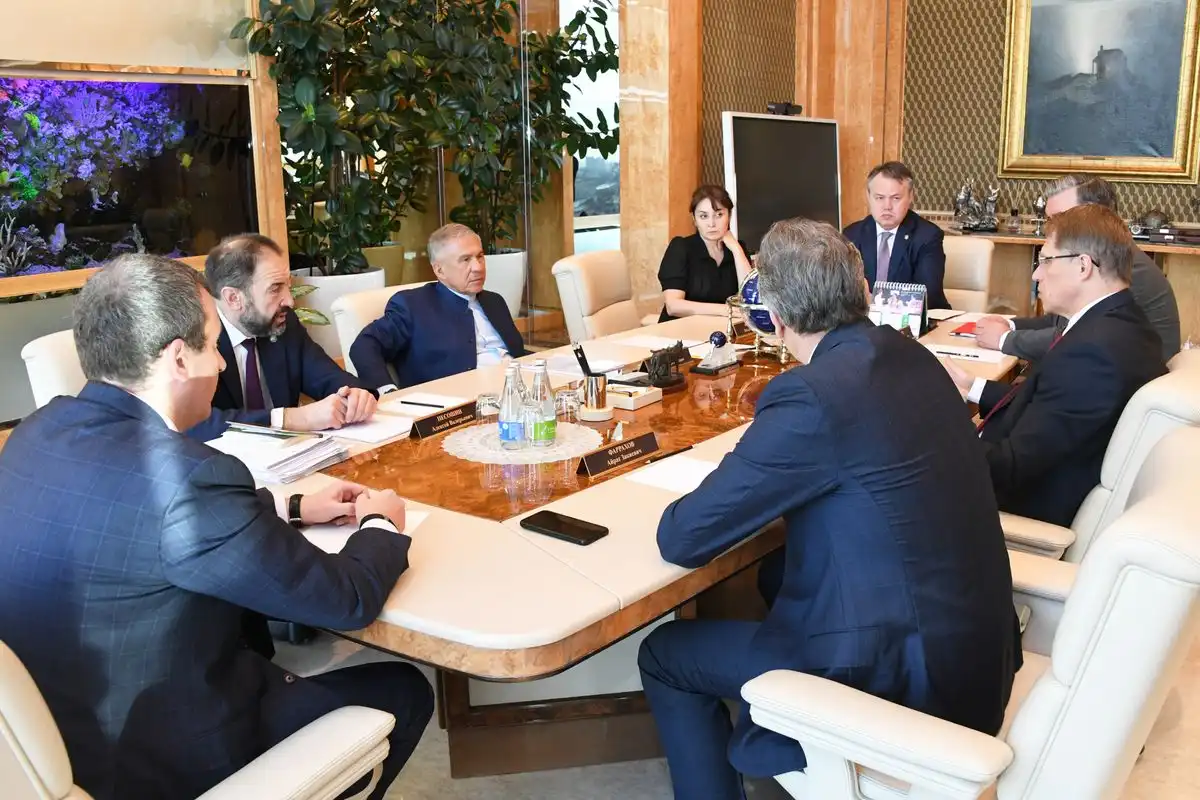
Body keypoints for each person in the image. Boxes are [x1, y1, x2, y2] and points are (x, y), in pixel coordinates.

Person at [0, 254, 433, 800]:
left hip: (52, 744)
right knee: (402, 689)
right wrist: (380, 523)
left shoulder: (34, 432)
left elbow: (138, 526)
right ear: (179, 359)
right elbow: (346, 599)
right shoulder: (192, 477)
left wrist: (294, 506)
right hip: (162, 761)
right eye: (212, 345)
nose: (224, 363)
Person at [639, 219, 1019, 800]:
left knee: (665, 654)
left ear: (774, 316)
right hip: (976, 658)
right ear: (862, 289)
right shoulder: (913, 355)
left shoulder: (812, 396)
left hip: (902, 689)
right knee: (775, 571)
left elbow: (683, 537)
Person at [943, 204, 1167, 527]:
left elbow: (1012, 468)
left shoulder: (1091, 354)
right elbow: (1049, 406)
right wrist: (971, 386)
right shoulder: (1123, 325)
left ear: (1083, 266)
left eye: (1046, 260)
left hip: (1014, 512)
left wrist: (934, 428)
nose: (1036, 274)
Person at [187, 233, 377, 441]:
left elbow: (327, 376)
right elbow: (194, 425)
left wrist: (355, 396)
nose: (289, 301)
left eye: (288, 285)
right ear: (234, 298)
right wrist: (290, 418)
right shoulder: (196, 340)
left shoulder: (283, 323)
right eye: (275, 288)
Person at [973, 174, 1180, 362]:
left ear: (1094, 216)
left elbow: (1076, 338)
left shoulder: (1123, 267)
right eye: (1049, 220)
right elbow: (1061, 323)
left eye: (1060, 219)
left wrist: (1005, 339)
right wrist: (1011, 325)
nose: (1050, 229)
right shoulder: (1102, 256)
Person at [350, 223, 527, 392]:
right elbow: (364, 345)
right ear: (439, 270)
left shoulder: (494, 301)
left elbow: (516, 354)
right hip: (464, 402)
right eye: (465, 259)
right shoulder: (412, 305)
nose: (478, 267)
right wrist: (387, 392)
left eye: (480, 256)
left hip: (520, 390)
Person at [843, 161, 949, 308]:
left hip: (918, 319)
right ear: (868, 196)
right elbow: (840, 289)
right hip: (864, 318)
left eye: (896, 198)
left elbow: (926, 294)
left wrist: (877, 304)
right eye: (879, 198)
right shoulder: (852, 235)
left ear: (911, 196)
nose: (887, 206)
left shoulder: (928, 236)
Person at [657, 184, 753, 321]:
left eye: (719, 215)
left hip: (718, 329)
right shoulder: (681, 247)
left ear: (729, 216)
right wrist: (726, 310)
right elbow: (673, 306)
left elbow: (750, 299)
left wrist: (737, 250)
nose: (711, 223)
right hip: (679, 329)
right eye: (704, 216)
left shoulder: (737, 249)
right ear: (694, 220)